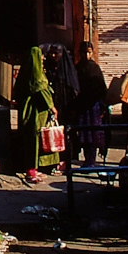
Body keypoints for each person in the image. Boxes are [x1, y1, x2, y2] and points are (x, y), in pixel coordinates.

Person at [13, 47, 59, 184]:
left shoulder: (25, 74)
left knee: (34, 141)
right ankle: (31, 171)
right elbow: (42, 91)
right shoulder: (36, 76)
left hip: (31, 114)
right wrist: (52, 107)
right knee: (33, 141)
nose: (43, 59)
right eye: (41, 56)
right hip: (34, 115)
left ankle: (34, 168)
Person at [71, 43, 108, 167]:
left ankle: (91, 160)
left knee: (93, 133)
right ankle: (87, 159)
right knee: (84, 134)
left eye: (89, 52)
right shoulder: (77, 68)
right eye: (84, 52)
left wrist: (102, 106)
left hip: (94, 107)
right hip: (82, 106)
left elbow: (102, 88)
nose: (86, 55)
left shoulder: (95, 68)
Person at [42, 44, 80, 123]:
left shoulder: (67, 71)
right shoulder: (47, 68)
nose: (53, 55)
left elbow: (73, 88)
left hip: (65, 105)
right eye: (51, 53)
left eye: (56, 53)